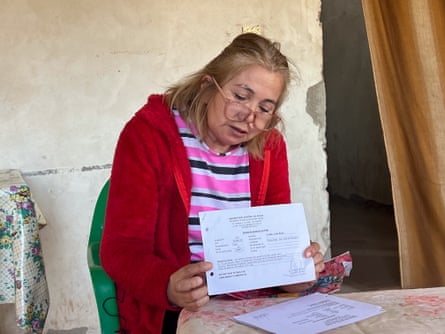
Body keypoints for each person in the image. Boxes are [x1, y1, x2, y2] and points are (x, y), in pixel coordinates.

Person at [101, 32, 325, 334]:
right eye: (241, 96)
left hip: (253, 307)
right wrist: (168, 286)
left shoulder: (269, 145)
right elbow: (120, 249)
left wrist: (292, 270)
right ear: (208, 85)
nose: (249, 118)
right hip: (173, 309)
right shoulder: (149, 135)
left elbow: (272, 239)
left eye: (265, 108)